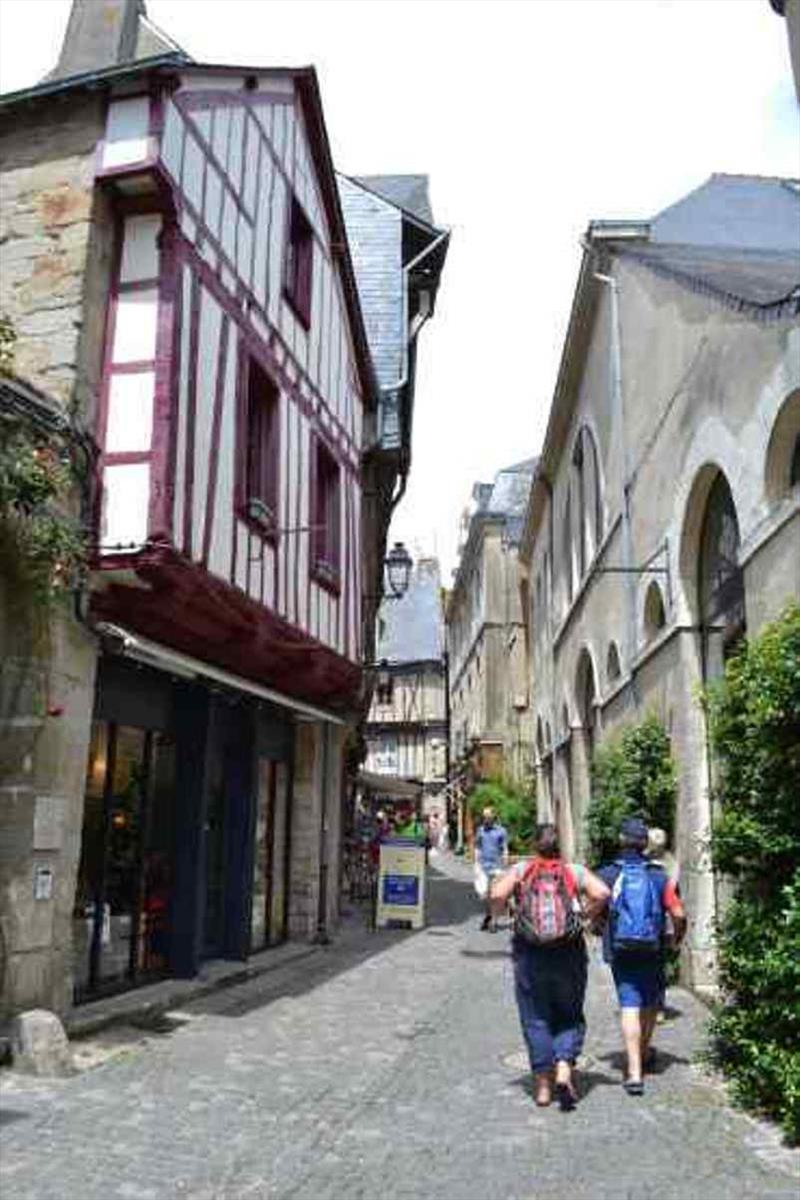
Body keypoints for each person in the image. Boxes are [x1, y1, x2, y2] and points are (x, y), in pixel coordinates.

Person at [491, 824, 610, 1110]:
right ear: (560, 846)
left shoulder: (523, 870)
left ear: (536, 846)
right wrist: (584, 917)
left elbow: (496, 894)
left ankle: (543, 1088)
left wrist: (503, 915)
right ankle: (565, 1068)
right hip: (568, 952)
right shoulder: (573, 871)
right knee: (569, 1013)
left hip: (530, 953)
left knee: (535, 1015)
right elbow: (603, 893)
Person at [598, 816, 686, 1096]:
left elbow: (592, 904)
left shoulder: (608, 874)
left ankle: (634, 1073)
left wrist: (600, 925)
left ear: (622, 841)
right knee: (650, 1003)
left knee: (629, 1004)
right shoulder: (659, 876)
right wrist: (676, 939)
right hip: (653, 948)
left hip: (621, 949)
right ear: (645, 844)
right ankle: (645, 1051)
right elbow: (679, 913)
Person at [473, 807, 509, 931]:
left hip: (497, 866)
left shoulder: (501, 831)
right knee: (485, 895)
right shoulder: (480, 830)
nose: (485, 819)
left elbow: (504, 848)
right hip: (483, 866)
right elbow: (477, 846)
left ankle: (493, 921)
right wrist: (476, 862)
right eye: (484, 816)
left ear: (493, 817)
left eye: (488, 816)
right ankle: (488, 915)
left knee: (495, 894)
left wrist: (505, 861)